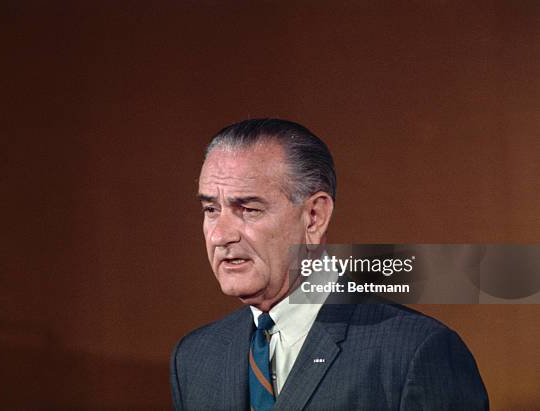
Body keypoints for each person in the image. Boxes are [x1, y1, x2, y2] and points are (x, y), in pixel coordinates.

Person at [170, 118, 489, 410]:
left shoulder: (412, 351)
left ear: (314, 217)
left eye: (249, 209)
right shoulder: (194, 358)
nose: (220, 235)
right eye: (211, 210)